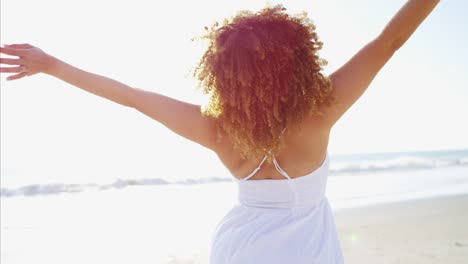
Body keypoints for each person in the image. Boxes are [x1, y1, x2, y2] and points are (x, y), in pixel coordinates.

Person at [0, 1, 440, 263]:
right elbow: (388, 41)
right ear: (296, 62)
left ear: (224, 75)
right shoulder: (320, 112)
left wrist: (53, 66)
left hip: (240, 249)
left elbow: (130, 95)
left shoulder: (217, 131)